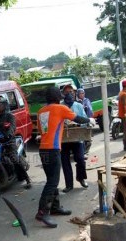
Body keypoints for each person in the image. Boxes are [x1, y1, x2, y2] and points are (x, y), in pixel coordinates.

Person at [36, 86, 91, 228]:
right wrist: (89, 120)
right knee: (52, 182)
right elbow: (77, 118)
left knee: (51, 180)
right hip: (53, 150)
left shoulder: (41, 111)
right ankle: (42, 212)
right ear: (57, 96)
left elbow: (42, 130)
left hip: (43, 149)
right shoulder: (60, 108)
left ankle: (55, 207)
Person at [0, 95, 31, 188]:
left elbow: (12, 128)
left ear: (5, 105)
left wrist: (7, 134)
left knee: (14, 159)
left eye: (0, 104)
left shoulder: (9, 116)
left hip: (8, 141)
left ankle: (28, 179)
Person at [60, 85, 88, 193]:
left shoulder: (78, 106)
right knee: (65, 161)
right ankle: (69, 185)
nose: (69, 94)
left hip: (77, 137)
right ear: (63, 94)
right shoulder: (60, 106)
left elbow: (84, 119)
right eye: (66, 92)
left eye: (71, 92)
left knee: (80, 159)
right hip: (64, 138)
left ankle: (81, 178)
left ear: (74, 93)